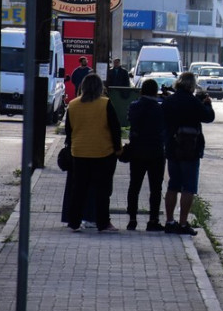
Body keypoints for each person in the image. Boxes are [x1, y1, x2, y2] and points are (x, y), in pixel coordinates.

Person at [65, 73, 122, 232]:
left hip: (79, 152)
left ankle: (74, 222)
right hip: (103, 152)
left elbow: (69, 131)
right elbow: (115, 128)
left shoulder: (73, 104)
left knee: (79, 189)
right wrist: (118, 149)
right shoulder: (105, 104)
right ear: (100, 88)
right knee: (103, 191)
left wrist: (71, 148)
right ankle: (103, 223)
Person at [162, 72, 215, 235]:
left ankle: (170, 221)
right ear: (192, 85)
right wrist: (207, 104)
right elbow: (208, 117)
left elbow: (162, 119)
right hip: (190, 150)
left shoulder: (169, 101)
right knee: (188, 188)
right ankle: (183, 223)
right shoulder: (193, 102)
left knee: (173, 185)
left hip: (172, 148)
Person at [126, 78, 166, 232]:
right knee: (155, 188)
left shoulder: (134, 106)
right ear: (155, 92)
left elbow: (130, 120)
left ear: (142, 90)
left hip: (137, 151)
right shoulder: (160, 108)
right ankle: (153, 220)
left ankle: (132, 219)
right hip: (156, 151)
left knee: (134, 186)